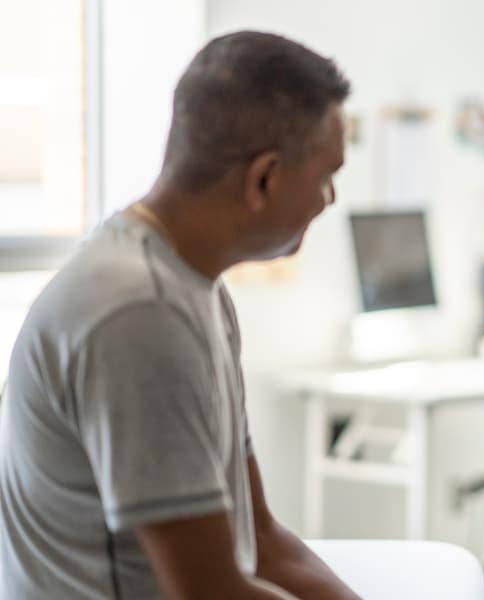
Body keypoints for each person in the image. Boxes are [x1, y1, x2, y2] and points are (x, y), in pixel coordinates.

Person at [0, 31, 361, 599]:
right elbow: (210, 593)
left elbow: (259, 540)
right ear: (263, 178)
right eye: (325, 176)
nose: (329, 199)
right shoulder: (136, 314)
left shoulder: (198, 290)